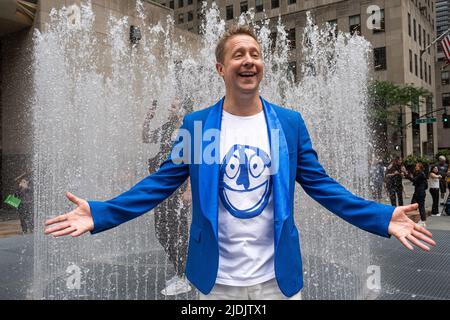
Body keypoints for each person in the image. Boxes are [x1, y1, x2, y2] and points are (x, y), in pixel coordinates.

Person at [44, 25, 435, 300]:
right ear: (221, 69)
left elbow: (323, 187)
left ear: (262, 65)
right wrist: (100, 213)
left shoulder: (288, 123)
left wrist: (381, 217)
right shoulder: (200, 126)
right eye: (238, 55)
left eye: (255, 54)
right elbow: (159, 184)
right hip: (215, 282)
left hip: (277, 280)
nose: (248, 61)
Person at [143, 98, 193, 296]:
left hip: (179, 188)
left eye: (174, 106)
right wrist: (147, 119)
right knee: (161, 231)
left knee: (178, 231)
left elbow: (194, 159)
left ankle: (184, 278)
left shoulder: (190, 130)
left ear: (182, 109)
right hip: (163, 186)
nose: (170, 108)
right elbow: (147, 137)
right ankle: (181, 271)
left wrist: (189, 189)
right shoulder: (168, 126)